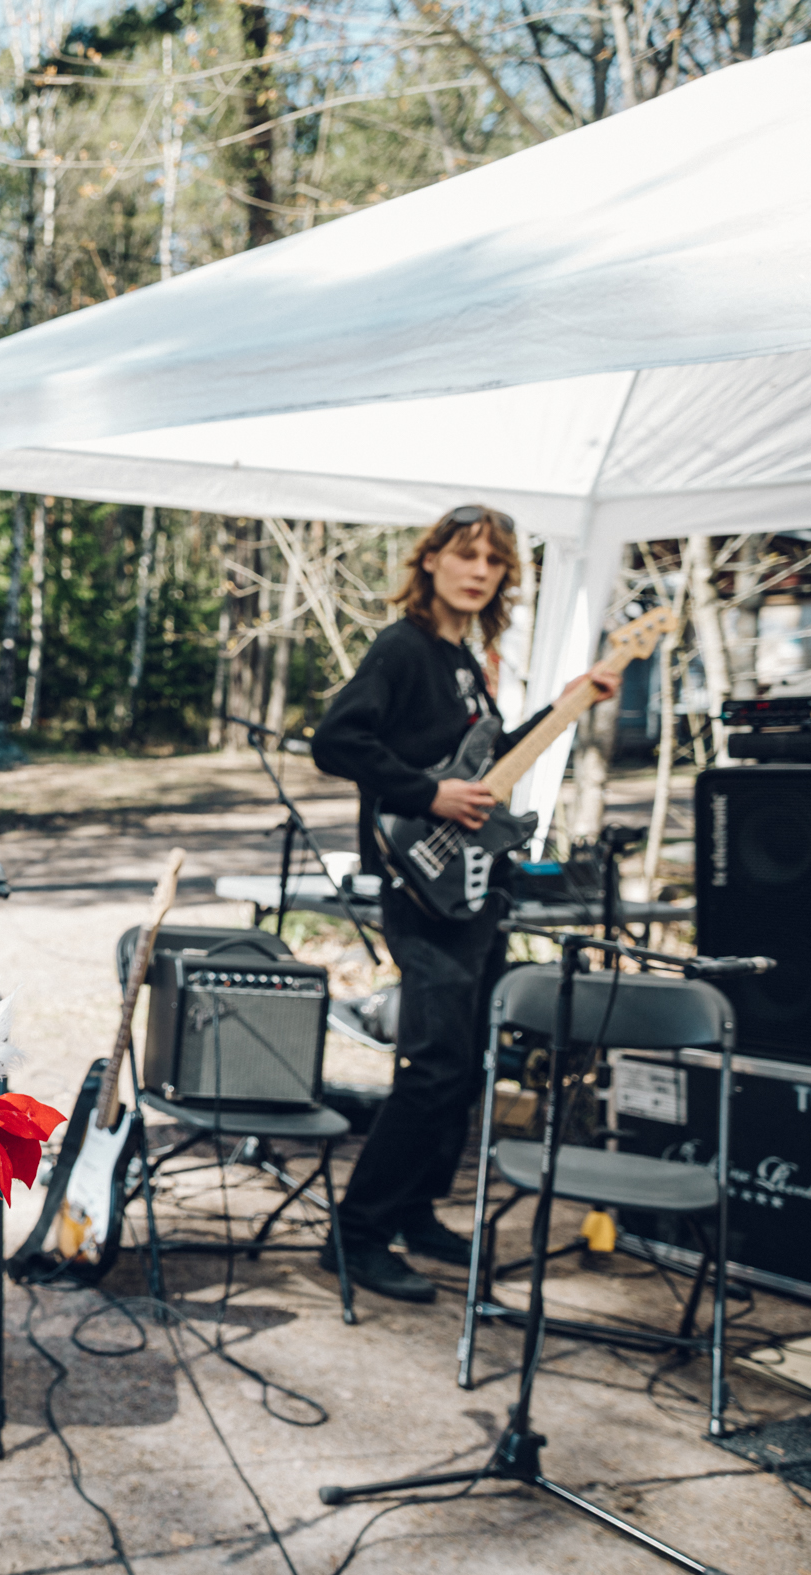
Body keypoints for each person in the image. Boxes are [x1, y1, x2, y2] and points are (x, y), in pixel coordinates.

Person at [311, 504, 622, 1305]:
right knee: (435, 1064)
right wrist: (429, 793)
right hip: (422, 885)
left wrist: (571, 701)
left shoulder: (465, 661)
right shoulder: (404, 648)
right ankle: (355, 1234)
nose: (480, 570)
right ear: (432, 562)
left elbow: (486, 760)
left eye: (495, 560)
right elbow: (336, 740)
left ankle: (416, 1212)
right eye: (466, 554)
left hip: (474, 888)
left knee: (468, 1061)